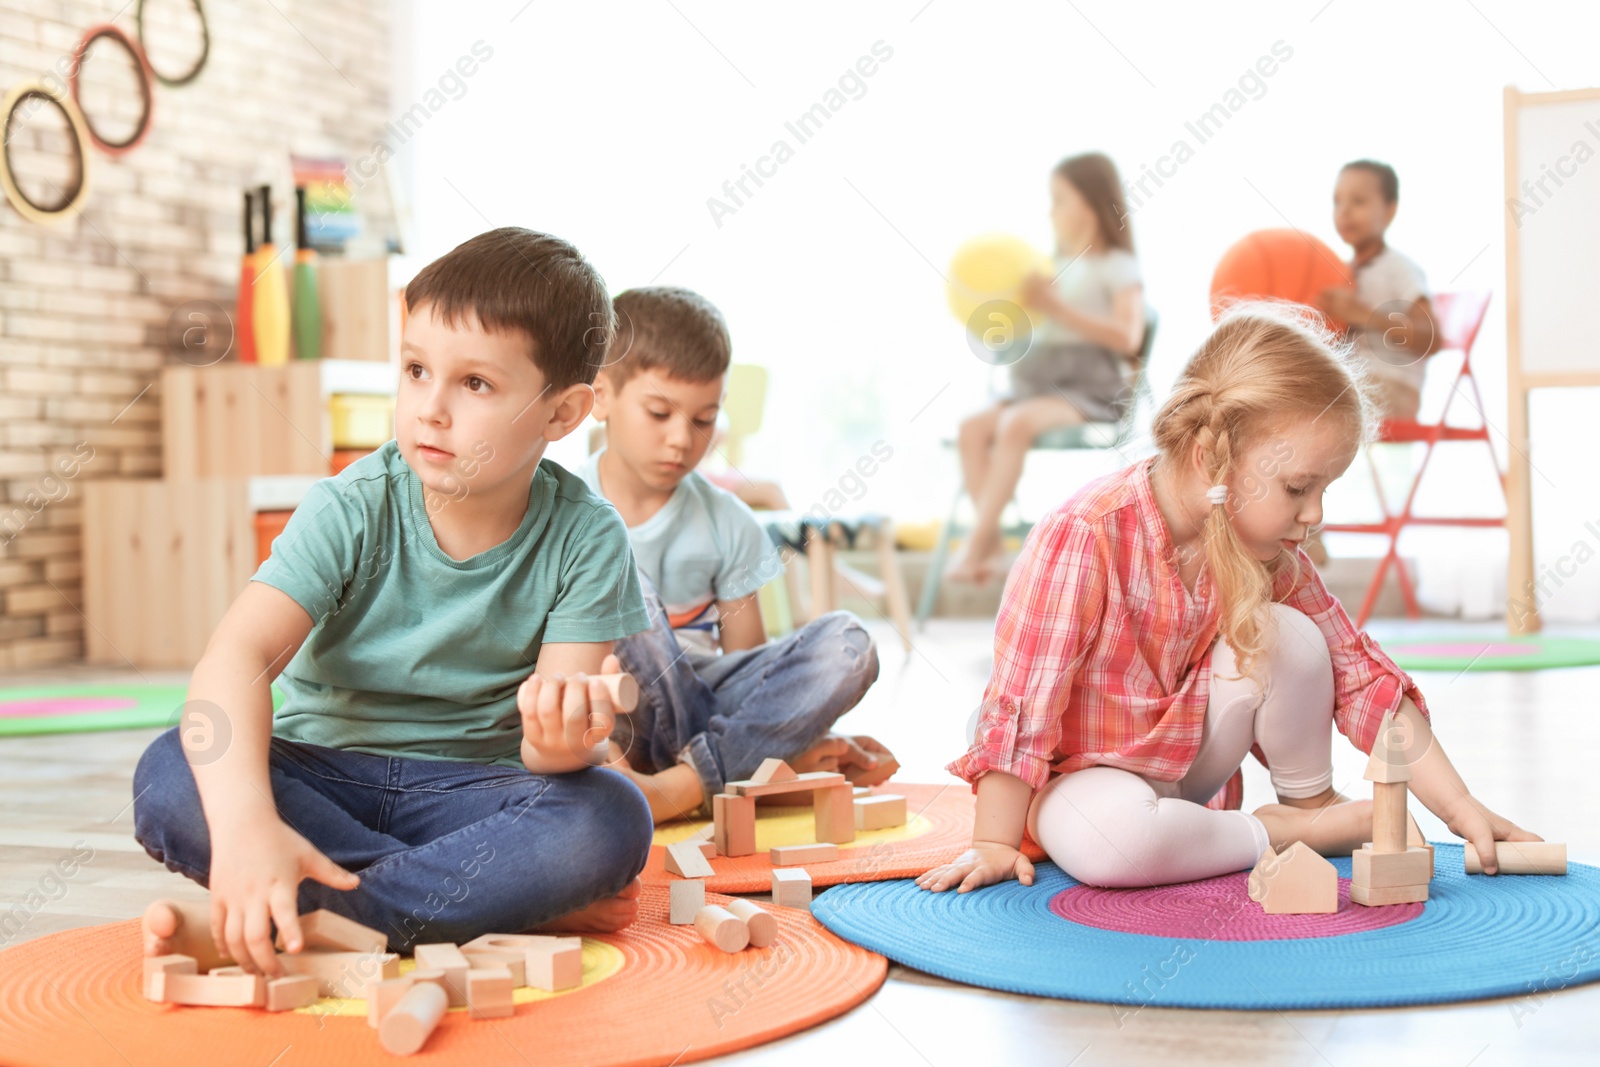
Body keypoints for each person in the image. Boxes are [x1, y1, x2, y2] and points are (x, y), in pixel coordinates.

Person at [134, 228, 656, 976]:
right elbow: (236, 658)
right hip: (323, 772)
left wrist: (564, 736)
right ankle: (486, 902)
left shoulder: (587, 534)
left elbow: (551, 755)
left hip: (470, 790)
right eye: (415, 369)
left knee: (608, 814)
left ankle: (323, 923)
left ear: (563, 413)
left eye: (475, 384)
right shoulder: (352, 506)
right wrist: (248, 824)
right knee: (168, 772)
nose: (430, 408)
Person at [917, 305, 1540, 895]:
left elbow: (1360, 677)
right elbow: (1024, 703)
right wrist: (994, 842)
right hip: (1078, 778)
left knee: (1294, 635)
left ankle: (1313, 805)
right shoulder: (1086, 534)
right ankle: (1284, 832)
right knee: (1115, 845)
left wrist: (1461, 808)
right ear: (1210, 459)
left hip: (1184, 766)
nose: (1316, 514)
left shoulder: (1266, 551)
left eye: (1324, 489)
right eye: (1299, 488)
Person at [581, 286, 897, 824]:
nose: (682, 439)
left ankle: (682, 785)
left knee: (849, 644)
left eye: (704, 420)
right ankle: (744, 772)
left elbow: (743, 666)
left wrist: (791, 718)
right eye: (660, 413)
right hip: (613, 716)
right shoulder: (564, 509)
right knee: (609, 557)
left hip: (703, 707)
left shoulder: (728, 520)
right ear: (601, 395)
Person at [947, 151, 1147, 585]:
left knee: (1016, 424)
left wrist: (1056, 306)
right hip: (1035, 381)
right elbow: (1032, 325)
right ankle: (994, 546)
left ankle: (977, 541)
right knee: (972, 428)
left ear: (1091, 203)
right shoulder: (1047, 266)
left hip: (1087, 386)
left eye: (1060, 199)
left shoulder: (1115, 266)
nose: (1051, 211)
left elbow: (1129, 337)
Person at [1316, 159, 1439, 423]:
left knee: (1313, 395)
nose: (1345, 211)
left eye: (1358, 201)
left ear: (1389, 211)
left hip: (1394, 389)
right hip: (1352, 382)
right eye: (1337, 202)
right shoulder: (1339, 273)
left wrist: (1365, 315)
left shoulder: (1399, 268)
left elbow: (1431, 338)